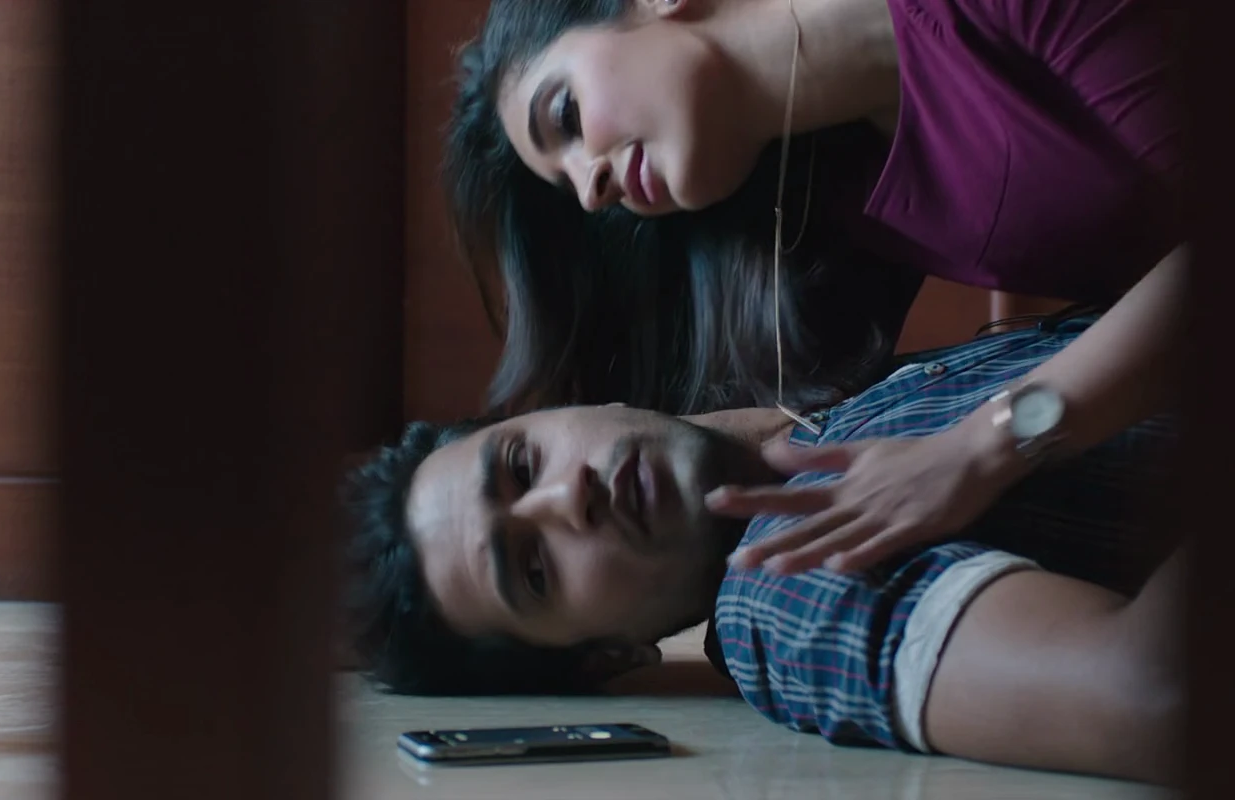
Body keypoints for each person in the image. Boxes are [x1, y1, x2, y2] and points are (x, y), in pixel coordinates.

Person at [445, 0, 1186, 571]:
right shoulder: (837, 196)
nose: (590, 189)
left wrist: (981, 448)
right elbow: (787, 432)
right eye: (570, 183)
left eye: (566, 116)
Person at [344, 313, 1184, 783]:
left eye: (523, 465)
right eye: (535, 569)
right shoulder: (787, 589)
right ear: (606, 657)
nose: (569, 499)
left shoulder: (833, 409)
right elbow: (1158, 691)